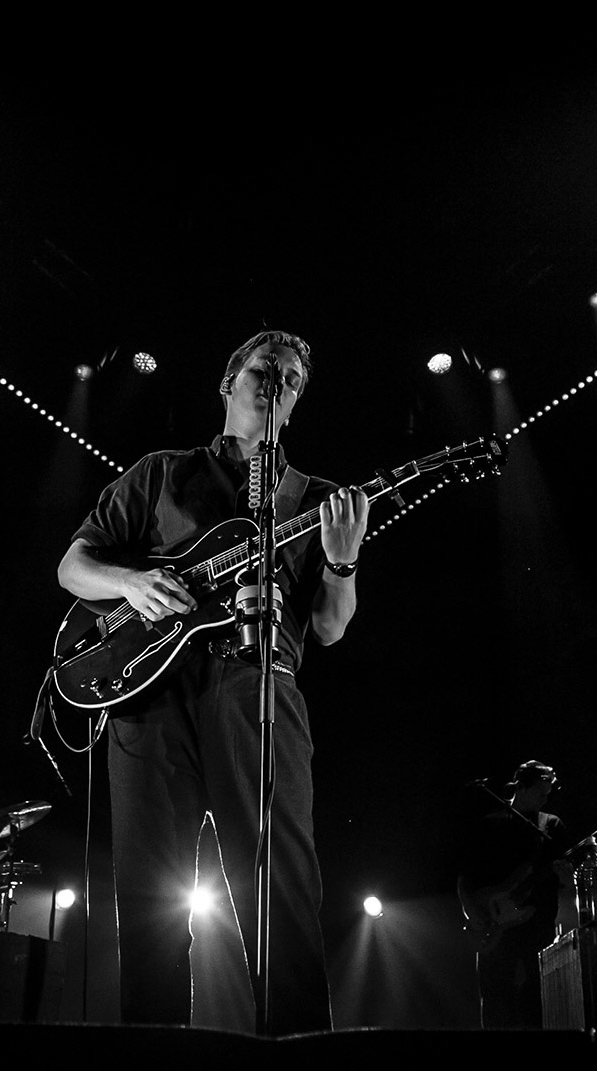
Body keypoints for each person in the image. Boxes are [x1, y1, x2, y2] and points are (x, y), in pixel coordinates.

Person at [56, 329, 368, 1036]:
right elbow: (73, 569)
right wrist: (132, 584)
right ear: (227, 383)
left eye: (288, 380)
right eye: (263, 369)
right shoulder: (161, 472)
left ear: (295, 403)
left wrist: (343, 563)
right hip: (148, 697)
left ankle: (295, 1051)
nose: (274, 384)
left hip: (258, 687)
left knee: (280, 888)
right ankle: (158, 1060)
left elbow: (327, 626)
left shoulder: (313, 499)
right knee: (147, 900)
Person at [457, 760, 574, 1029]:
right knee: (496, 1001)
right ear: (520, 787)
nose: (546, 798)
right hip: (495, 930)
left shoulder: (552, 826)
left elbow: (566, 886)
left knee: (540, 1003)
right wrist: (474, 914)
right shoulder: (490, 825)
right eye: (540, 792)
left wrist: (567, 880)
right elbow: (465, 879)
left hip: (538, 930)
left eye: (548, 793)